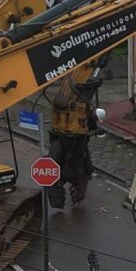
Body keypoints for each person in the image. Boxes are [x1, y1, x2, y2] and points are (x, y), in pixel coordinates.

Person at [45, 71, 97, 209]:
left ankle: (60, 196)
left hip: (63, 138)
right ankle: (75, 191)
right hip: (72, 140)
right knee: (87, 167)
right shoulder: (77, 108)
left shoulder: (56, 146)